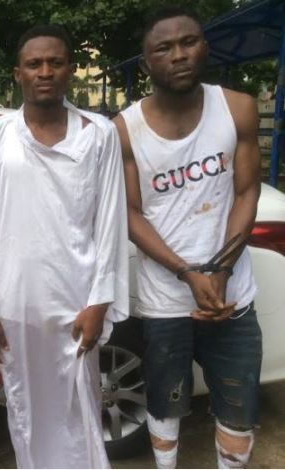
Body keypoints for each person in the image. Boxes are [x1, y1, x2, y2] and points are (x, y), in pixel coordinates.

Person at [0, 25, 129, 468]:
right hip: (14, 302)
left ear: (70, 70)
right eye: (34, 64)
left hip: (78, 299)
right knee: (25, 407)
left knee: (80, 405)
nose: (44, 72)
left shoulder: (98, 134)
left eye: (55, 63)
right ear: (17, 73)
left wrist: (100, 301)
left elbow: (110, 223)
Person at [113, 6, 262, 469]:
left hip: (232, 296)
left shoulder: (237, 108)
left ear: (205, 48)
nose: (179, 55)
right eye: (164, 48)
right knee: (164, 407)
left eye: (189, 42)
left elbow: (247, 191)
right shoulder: (125, 129)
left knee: (238, 412)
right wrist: (187, 272)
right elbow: (130, 213)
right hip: (165, 302)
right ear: (146, 63)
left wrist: (220, 271)